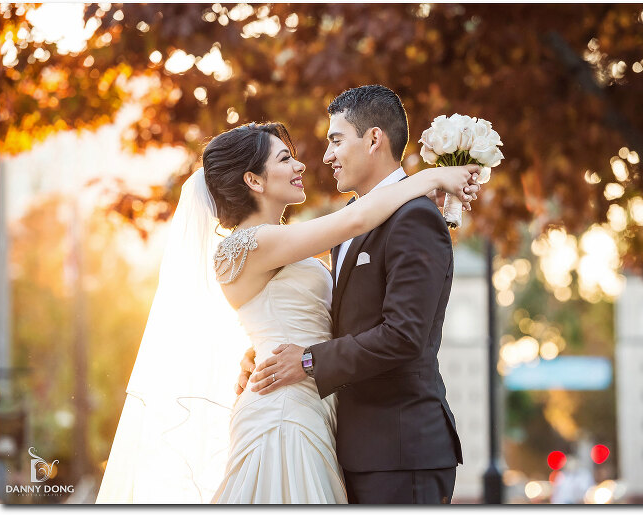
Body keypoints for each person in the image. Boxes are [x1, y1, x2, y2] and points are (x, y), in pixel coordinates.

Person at [96, 118, 479, 503]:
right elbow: (356, 219)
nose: (300, 166)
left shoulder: (282, 242)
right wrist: (433, 179)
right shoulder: (249, 244)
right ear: (254, 181)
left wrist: (262, 353)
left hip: (314, 406)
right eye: (284, 159)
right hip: (283, 415)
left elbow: (333, 302)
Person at [238, 85, 467, 504]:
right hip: (350, 446)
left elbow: (402, 335)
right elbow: (339, 320)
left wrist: (306, 360)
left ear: (374, 139)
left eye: (336, 140)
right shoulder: (349, 225)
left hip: (401, 451)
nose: (326, 156)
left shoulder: (415, 217)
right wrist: (266, 351)